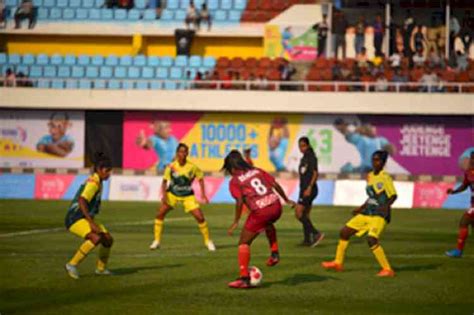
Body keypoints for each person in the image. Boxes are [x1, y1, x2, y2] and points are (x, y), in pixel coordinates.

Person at [223, 150, 295, 289]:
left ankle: (244, 278)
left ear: (231, 168)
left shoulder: (235, 181)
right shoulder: (257, 170)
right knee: (268, 223)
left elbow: (239, 201)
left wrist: (236, 221)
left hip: (261, 211)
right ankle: (274, 253)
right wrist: (286, 199)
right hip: (276, 206)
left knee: (243, 243)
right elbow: (275, 184)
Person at [322, 150, 397, 277]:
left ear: (383, 163)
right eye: (373, 159)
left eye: (378, 160)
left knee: (371, 239)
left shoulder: (385, 177)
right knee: (344, 232)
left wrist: (386, 207)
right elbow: (372, 196)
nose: (375, 162)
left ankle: (387, 269)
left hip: (379, 215)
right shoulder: (370, 176)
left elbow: (393, 195)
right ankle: (338, 262)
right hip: (367, 212)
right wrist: (361, 208)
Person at [149, 143, 216, 251]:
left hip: (187, 196)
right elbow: (164, 182)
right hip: (172, 194)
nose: (183, 154)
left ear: (187, 153)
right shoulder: (171, 167)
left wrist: (203, 194)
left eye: (185, 152)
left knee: (200, 217)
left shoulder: (192, 167)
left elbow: (200, 178)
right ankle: (156, 241)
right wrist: (164, 195)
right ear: (177, 153)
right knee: (160, 214)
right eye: (181, 151)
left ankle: (208, 241)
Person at [64, 152, 113, 279]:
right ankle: (72, 264)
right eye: (107, 171)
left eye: (110, 171)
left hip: (83, 217)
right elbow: (82, 200)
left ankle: (101, 269)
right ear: (99, 169)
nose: (109, 174)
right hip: (74, 218)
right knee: (95, 238)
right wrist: (91, 222)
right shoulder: (94, 183)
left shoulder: (98, 180)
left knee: (107, 240)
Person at [295, 137, 324, 246]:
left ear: (307, 145)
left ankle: (316, 233)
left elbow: (315, 173)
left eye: (303, 145)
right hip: (304, 189)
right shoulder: (304, 158)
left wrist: (309, 187)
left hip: (308, 189)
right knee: (305, 214)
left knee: (298, 213)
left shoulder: (311, 157)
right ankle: (307, 240)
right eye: (299, 146)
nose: (301, 148)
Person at [445, 151, 474, 258]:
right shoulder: (468, 172)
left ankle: (458, 251)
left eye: (473, 158)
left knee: (464, 222)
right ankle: (458, 251)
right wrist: (454, 192)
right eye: (471, 158)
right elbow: (465, 185)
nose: (471, 160)